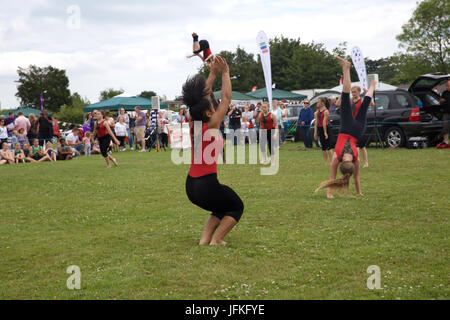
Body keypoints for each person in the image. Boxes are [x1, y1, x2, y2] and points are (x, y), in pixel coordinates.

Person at [183, 55, 244, 246]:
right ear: (209, 113)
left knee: (220, 207)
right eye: (211, 105)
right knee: (236, 206)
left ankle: (205, 240)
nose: (212, 103)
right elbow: (226, 98)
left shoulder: (195, 122)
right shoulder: (212, 124)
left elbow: (200, 98)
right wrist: (225, 72)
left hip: (191, 185)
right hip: (205, 185)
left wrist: (212, 73)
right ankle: (216, 239)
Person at [316, 56, 376, 198]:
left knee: (365, 104)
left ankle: (373, 86)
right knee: (345, 94)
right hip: (346, 129)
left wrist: (359, 192)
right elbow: (332, 176)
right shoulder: (337, 157)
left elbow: (355, 178)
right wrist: (329, 193)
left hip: (356, 131)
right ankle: (346, 68)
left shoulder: (356, 160)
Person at [336, 85, 374, 167]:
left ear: (359, 92)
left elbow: (372, 104)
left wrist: (367, 93)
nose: (353, 94)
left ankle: (366, 162)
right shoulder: (350, 101)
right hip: (350, 125)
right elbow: (337, 104)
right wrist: (342, 94)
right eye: (352, 92)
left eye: (355, 92)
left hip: (359, 125)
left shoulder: (362, 100)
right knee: (352, 145)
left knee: (362, 146)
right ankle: (355, 161)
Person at [314, 97, 333, 165]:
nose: (317, 103)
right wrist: (315, 133)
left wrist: (325, 132)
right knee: (323, 147)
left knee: (329, 146)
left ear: (322, 103)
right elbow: (316, 123)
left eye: (318, 102)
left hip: (326, 128)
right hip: (320, 128)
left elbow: (324, 122)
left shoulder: (326, 111)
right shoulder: (316, 112)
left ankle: (332, 161)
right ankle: (326, 162)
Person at [437, 79, 450, 149]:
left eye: (449, 85)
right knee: (445, 127)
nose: (448, 87)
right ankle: (446, 142)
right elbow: (440, 102)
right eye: (447, 86)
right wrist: (441, 101)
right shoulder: (444, 93)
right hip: (446, 113)